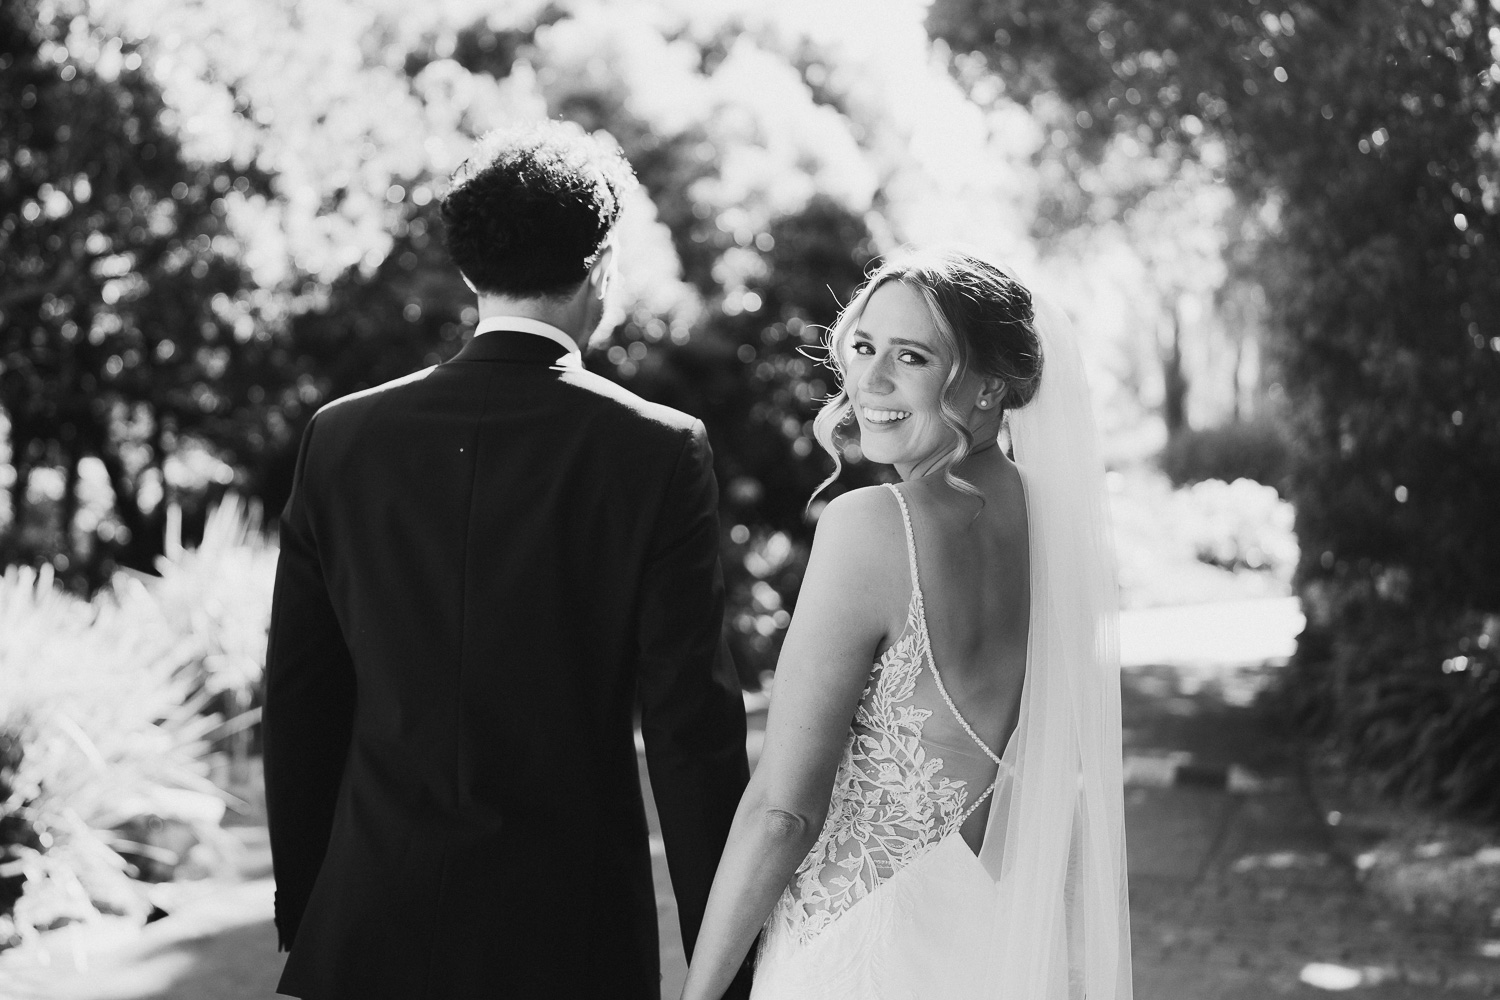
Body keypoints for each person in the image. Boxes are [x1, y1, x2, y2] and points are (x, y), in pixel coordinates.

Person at [263, 121, 753, 1000]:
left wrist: (310, 914)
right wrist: (731, 965)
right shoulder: (657, 451)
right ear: (603, 263)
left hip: (363, 930)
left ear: (467, 269)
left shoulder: (342, 438)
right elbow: (690, 734)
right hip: (568, 940)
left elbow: (302, 700)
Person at [679, 247, 1133, 1000]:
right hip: (994, 946)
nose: (871, 382)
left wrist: (698, 993)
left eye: (913, 358)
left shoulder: (874, 525)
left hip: (857, 953)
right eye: (863, 347)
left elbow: (783, 811)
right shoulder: (1061, 533)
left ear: (993, 387)